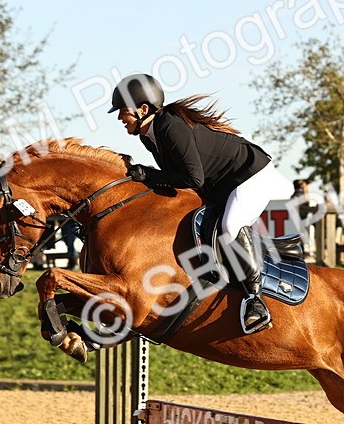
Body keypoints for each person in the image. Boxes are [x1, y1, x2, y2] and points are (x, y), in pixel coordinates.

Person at [110, 72, 291, 334]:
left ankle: (255, 300)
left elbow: (192, 178)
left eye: (123, 111)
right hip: (222, 184)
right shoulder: (148, 134)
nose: (119, 117)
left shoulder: (170, 127)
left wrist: (148, 174)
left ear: (143, 109)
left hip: (251, 175)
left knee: (230, 225)